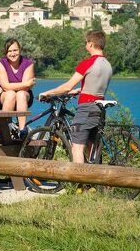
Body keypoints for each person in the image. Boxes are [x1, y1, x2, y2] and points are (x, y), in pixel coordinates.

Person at [39, 30, 113, 164]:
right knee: (92, 147)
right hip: (99, 108)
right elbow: (95, 86)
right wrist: (79, 90)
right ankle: (94, 180)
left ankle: (80, 183)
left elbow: (67, 86)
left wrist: (47, 93)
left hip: (86, 108)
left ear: (91, 44)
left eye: (86, 42)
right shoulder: (107, 65)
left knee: (77, 148)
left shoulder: (87, 63)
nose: (86, 45)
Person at [0, 38, 35, 139]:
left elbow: (25, 87)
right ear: (6, 53)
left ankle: (23, 130)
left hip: (24, 96)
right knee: (10, 94)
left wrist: (6, 86)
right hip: (3, 96)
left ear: (20, 50)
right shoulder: (0, 63)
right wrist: (4, 87)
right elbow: (22, 84)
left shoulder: (28, 63)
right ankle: (4, 129)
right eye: (9, 51)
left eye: (15, 50)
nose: (13, 53)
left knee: (20, 94)